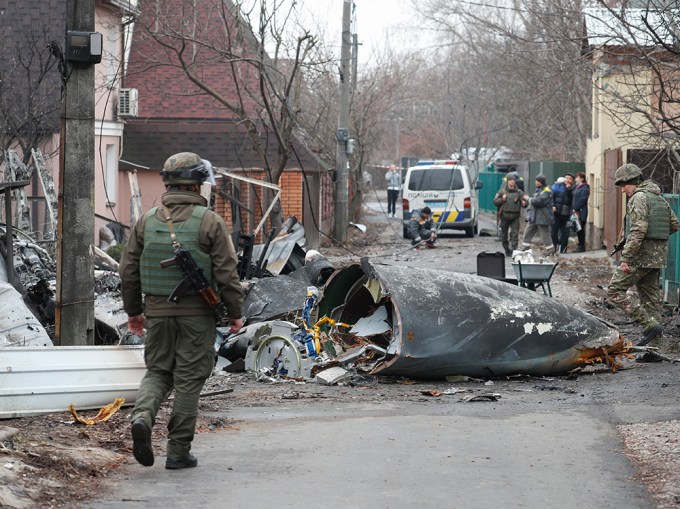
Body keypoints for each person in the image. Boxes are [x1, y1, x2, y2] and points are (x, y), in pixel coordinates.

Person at [119, 152, 244, 469]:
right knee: (188, 379)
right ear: (198, 184)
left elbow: (128, 271)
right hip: (197, 316)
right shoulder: (211, 222)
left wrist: (134, 312)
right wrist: (235, 313)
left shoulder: (146, 221)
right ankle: (177, 452)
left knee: (158, 372)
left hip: (157, 314)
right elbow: (228, 275)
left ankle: (143, 419)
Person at [607, 163, 680, 346]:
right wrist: (655, 241)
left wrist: (627, 258)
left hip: (639, 256)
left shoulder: (639, 198)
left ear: (635, 182)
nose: (623, 190)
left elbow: (638, 229)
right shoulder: (658, 198)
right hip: (656, 257)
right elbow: (674, 224)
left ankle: (649, 325)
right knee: (650, 300)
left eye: (624, 185)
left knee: (615, 291)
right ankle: (654, 348)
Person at [493, 175, 528, 256]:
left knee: (515, 234)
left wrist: (524, 203)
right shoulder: (502, 192)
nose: (512, 181)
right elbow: (495, 202)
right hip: (504, 216)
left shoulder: (519, 192)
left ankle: (514, 250)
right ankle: (506, 249)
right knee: (504, 235)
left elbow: (525, 202)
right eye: (510, 180)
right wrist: (502, 199)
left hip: (515, 217)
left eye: (513, 180)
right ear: (507, 181)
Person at [521, 174, 554, 255]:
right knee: (528, 232)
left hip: (543, 217)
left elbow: (538, 201)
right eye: (536, 180)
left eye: (538, 181)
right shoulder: (539, 190)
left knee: (545, 235)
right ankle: (525, 248)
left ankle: (551, 251)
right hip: (534, 216)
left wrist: (529, 199)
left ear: (541, 182)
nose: (536, 182)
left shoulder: (547, 191)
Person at [550, 173, 574, 254]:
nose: (568, 180)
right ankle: (555, 247)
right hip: (556, 213)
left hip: (567, 215)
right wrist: (553, 206)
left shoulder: (573, 189)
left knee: (565, 233)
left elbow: (572, 200)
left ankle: (562, 249)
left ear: (572, 181)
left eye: (570, 179)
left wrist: (569, 190)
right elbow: (551, 197)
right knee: (553, 232)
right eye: (566, 178)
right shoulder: (557, 186)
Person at [571, 172, 590, 252]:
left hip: (581, 211)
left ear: (582, 179)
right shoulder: (576, 187)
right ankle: (580, 245)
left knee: (581, 229)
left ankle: (582, 246)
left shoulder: (585, 187)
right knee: (578, 229)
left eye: (577, 178)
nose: (576, 179)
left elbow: (583, 199)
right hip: (575, 211)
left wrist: (576, 208)